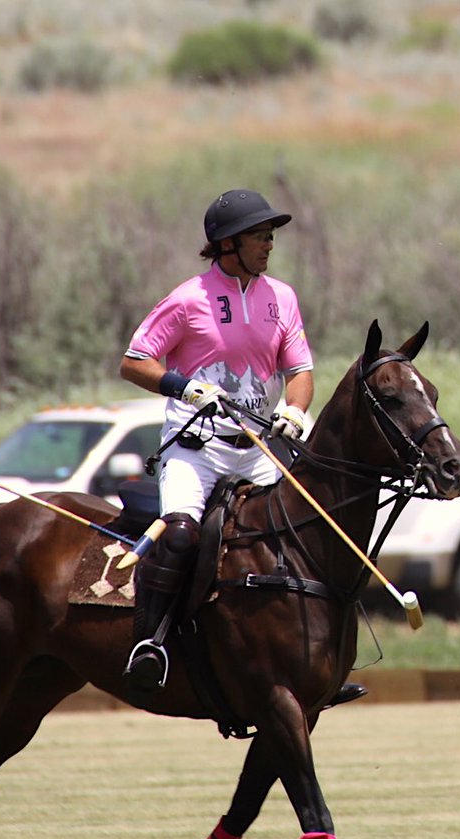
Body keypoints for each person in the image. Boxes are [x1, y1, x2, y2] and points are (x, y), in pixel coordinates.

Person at [118, 188, 316, 694]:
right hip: (197, 449)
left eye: (270, 236)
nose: (269, 244)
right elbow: (134, 362)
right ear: (227, 243)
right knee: (181, 535)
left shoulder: (282, 297)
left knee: (301, 533)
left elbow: (300, 371)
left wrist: (294, 410)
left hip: (258, 450)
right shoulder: (189, 299)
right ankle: (152, 643)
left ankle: (311, 651)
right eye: (259, 236)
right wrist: (182, 386)